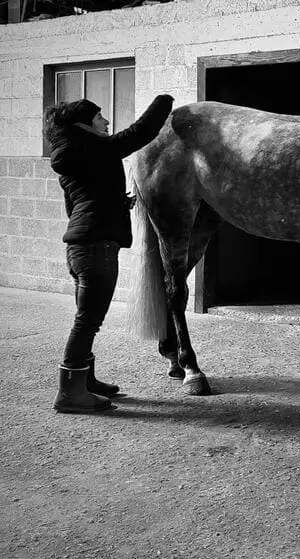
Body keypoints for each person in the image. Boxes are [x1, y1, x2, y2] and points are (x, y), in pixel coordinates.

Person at [44, 93, 174, 413]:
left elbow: (80, 202)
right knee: (88, 322)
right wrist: (165, 100)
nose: (106, 121)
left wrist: (116, 202)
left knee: (86, 318)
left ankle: (85, 381)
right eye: (99, 117)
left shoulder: (74, 154)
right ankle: (70, 393)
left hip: (81, 247)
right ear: (83, 125)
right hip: (96, 248)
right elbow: (139, 133)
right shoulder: (94, 147)